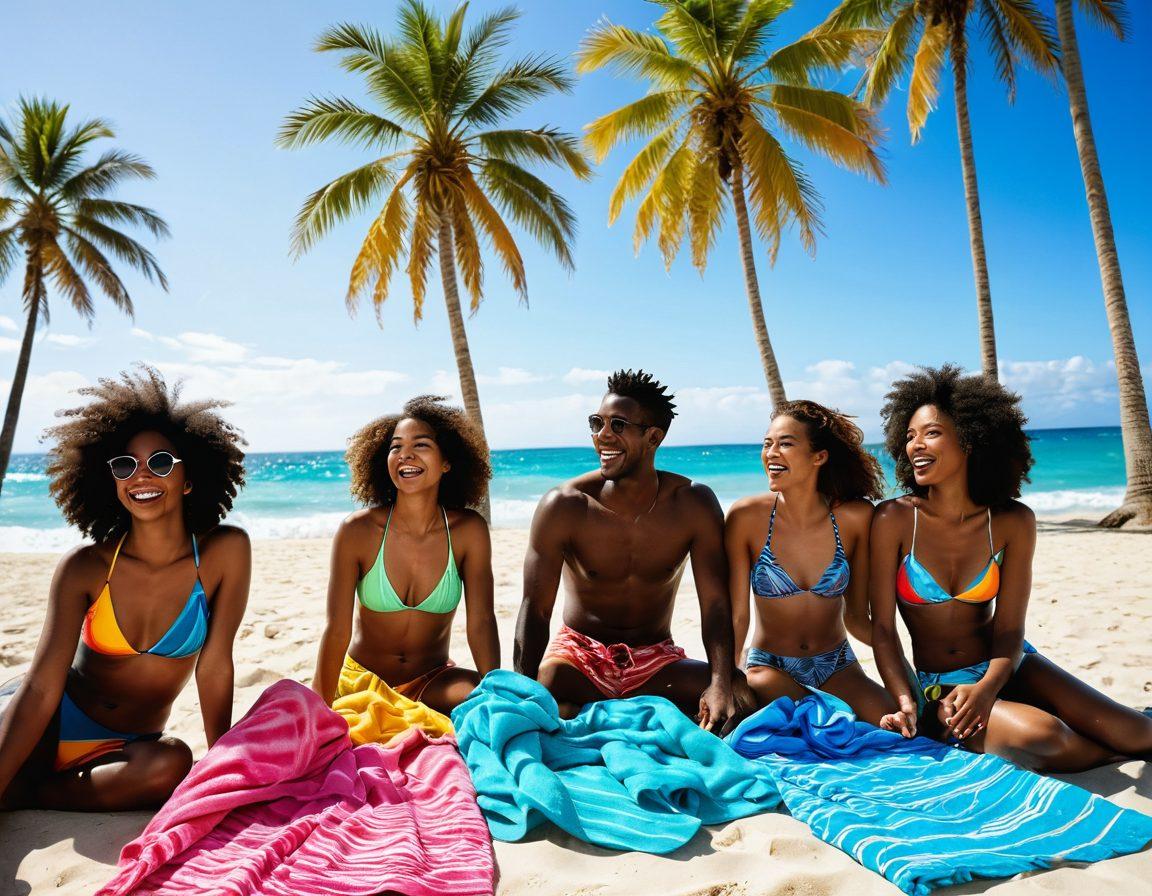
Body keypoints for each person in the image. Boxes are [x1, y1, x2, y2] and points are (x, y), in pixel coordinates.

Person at [870, 365, 1152, 771]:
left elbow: (1009, 629)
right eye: (909, 436)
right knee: (1044, 736)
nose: (916, 445)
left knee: (1140, 733)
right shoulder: (894, 519)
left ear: (971, 440)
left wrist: (988, 687)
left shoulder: (1012, 521)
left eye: (931, 433)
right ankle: (1112, 754)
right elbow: (882, 629)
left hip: (1010, 662)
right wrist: (904, 699)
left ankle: (1122, 744)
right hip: (942, 686)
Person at [0, 367, 250, 810]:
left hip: (129, 749)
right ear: (111, 481)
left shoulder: (224, 553)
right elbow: (39, 688)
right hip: (49, 722)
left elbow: (213, 667)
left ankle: (33, 792)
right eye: (124, 465)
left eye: (159, 462)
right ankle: (22, 787)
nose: (141, 476)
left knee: (174, 763)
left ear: (189, 478)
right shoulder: (86, 566)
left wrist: (223, 767)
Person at [515, 369, 747, 731]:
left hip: (656, 661)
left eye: (618, 425)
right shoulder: (564, 505)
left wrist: (720, 683)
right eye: (597, 423)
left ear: (653, 437)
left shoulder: (692, 505)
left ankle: (606, 715)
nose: (602, 436)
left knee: (740, 696)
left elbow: (715, 604)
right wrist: (524, 692)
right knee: (545, 689)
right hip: (578, 659)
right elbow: (535, 608)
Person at [313, 396, 499, 716]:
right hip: (363, 681)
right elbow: (337, 629)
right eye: (395, 447)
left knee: (482, 701)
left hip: (432, 680)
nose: (405, 455)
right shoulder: (357, 531)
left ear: (447, 462)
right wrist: (319, 706)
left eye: (421, 445)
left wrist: (496, 688)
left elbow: (481, 622)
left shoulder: (469, 531)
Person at [726, 400, 894, 722]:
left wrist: (903, 682)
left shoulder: (856, 518)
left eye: (786, 443)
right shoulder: (746, 517)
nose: (771, 452)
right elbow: (737, 618)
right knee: (826, 719)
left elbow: (858, 617)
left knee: (892, 722)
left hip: (838, 665)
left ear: (819, 457)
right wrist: (728, 680)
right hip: (768, 667)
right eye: (767, 443)